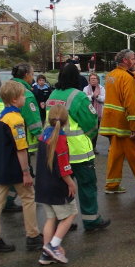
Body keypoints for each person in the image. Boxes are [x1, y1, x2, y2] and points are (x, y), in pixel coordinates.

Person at [47, 64, 111, 231]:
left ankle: (64, 221)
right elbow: (91, 123)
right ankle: (91, 220)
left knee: (62, 187)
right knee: (87, 186)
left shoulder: (53, 95)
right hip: (78, 153)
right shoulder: (79, 96)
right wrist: (87, 137)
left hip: (56, 151)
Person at [0, 80, 38, 254]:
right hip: (15, 167)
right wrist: (26, 172)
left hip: (1, 166)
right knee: (29, 197)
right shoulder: (16, 119)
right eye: (23, 95)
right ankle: (33, 235)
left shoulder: (1, 116)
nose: (24, 97)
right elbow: (21, 148)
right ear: (15, 99)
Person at [34, 104, 78, 265]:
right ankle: (53, 246)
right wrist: (70, 183)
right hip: (57, 186)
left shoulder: (43, 135)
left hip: (42, 185)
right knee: (70, 214)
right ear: (66, 121)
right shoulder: (60, 138)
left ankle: (46, 255)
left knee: (50, 218)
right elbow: (64, 166)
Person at [99, 49, 135, 194]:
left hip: (111, 121)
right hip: (123, 123)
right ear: (125, 60)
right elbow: (130, 103)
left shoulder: (111, 75)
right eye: (133, 59)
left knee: (115, 155)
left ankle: (112, 185)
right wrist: (134, 126)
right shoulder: (127, 78)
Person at [83, 73, 105, 154]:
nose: (93, 80)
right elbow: (84, 98)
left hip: (97, 113)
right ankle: (88, 147)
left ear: (98, 80)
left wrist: (98, 97)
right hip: (88, 113)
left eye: (95, 78)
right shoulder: (85, 88)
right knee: (88, 130)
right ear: (89, 80)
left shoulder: (102, 88)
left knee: (95, 131)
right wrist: (92, 96)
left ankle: (94, 147)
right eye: (91, 79)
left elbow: (104, 98)